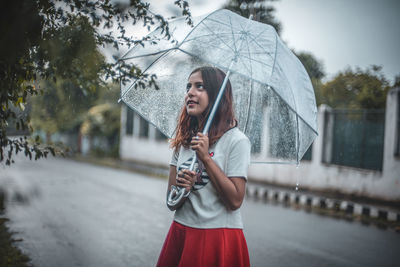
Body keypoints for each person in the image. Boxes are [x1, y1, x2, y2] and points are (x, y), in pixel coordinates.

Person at [157, 66, 251, 267]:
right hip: (181, 231)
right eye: (188, 86)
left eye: (200, 87)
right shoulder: (184, 141)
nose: (190, 92)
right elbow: (170, 202)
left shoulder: (236, 141)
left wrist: (206, 159)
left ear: (217, 95)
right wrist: (183, 189)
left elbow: (235, 200)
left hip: (216, 236)